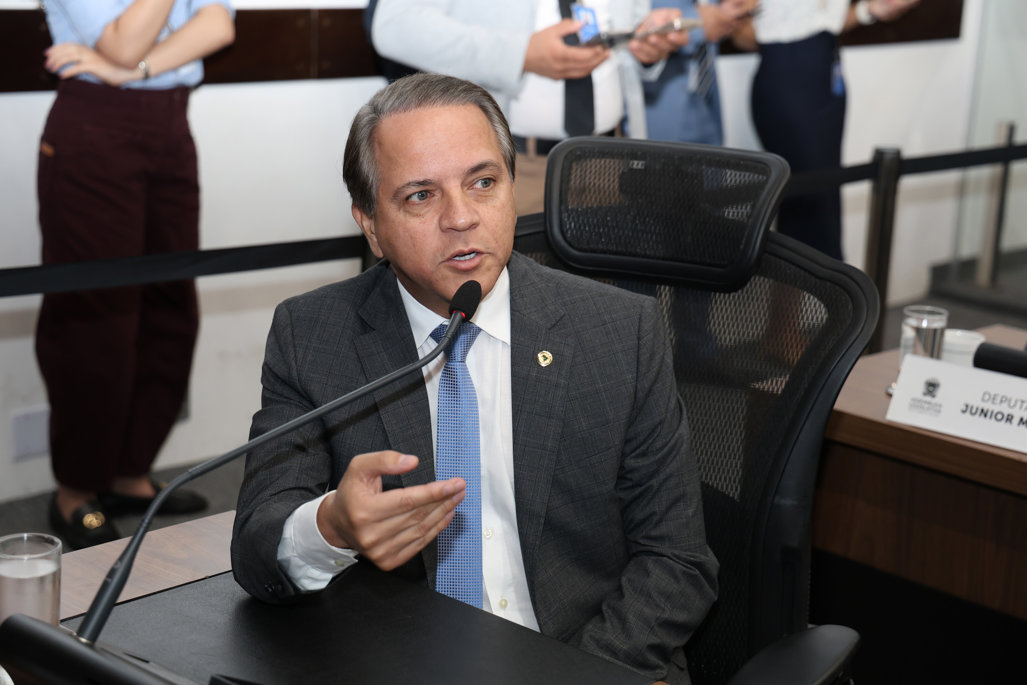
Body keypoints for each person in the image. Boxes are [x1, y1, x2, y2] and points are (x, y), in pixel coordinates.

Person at [231, 73, 718, 684]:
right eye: (420, 196)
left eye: (483, 183)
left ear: (512, 188)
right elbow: (257, 547)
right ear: (371, 225)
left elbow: (677, 561)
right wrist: (331, 527)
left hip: (592, 659)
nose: (461, 218)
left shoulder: (619, 331)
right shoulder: (313, 336)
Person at [37, 0, 235, 549]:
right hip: (94, 126)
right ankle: (76, 489)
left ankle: (129, 473)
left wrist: (136, 72)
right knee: (95, 318)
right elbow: (121, 42)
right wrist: (127, 66)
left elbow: (218, 24)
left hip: (170, 120)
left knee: (171, 309)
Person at [369, 1, 692, 216]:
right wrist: (521, 53)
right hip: (507, 171)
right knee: (515, 297)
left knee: (604, 297)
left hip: (611, 162)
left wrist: (646, 45)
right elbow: (394, 25)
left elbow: (625, 37)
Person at [733, 0, 920, 259]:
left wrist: (869, 11)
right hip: (787, 71)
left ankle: (823, 281)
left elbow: (825, 19)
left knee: (825, 197)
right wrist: (773, 35)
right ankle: (819, 281)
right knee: (808, 201)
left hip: (828, 69)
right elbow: (739, 28)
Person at [642, 0, 753, 146]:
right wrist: (697, 22)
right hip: (659, 107)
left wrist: (733, 11)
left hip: (708, 100)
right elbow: (632, 22)